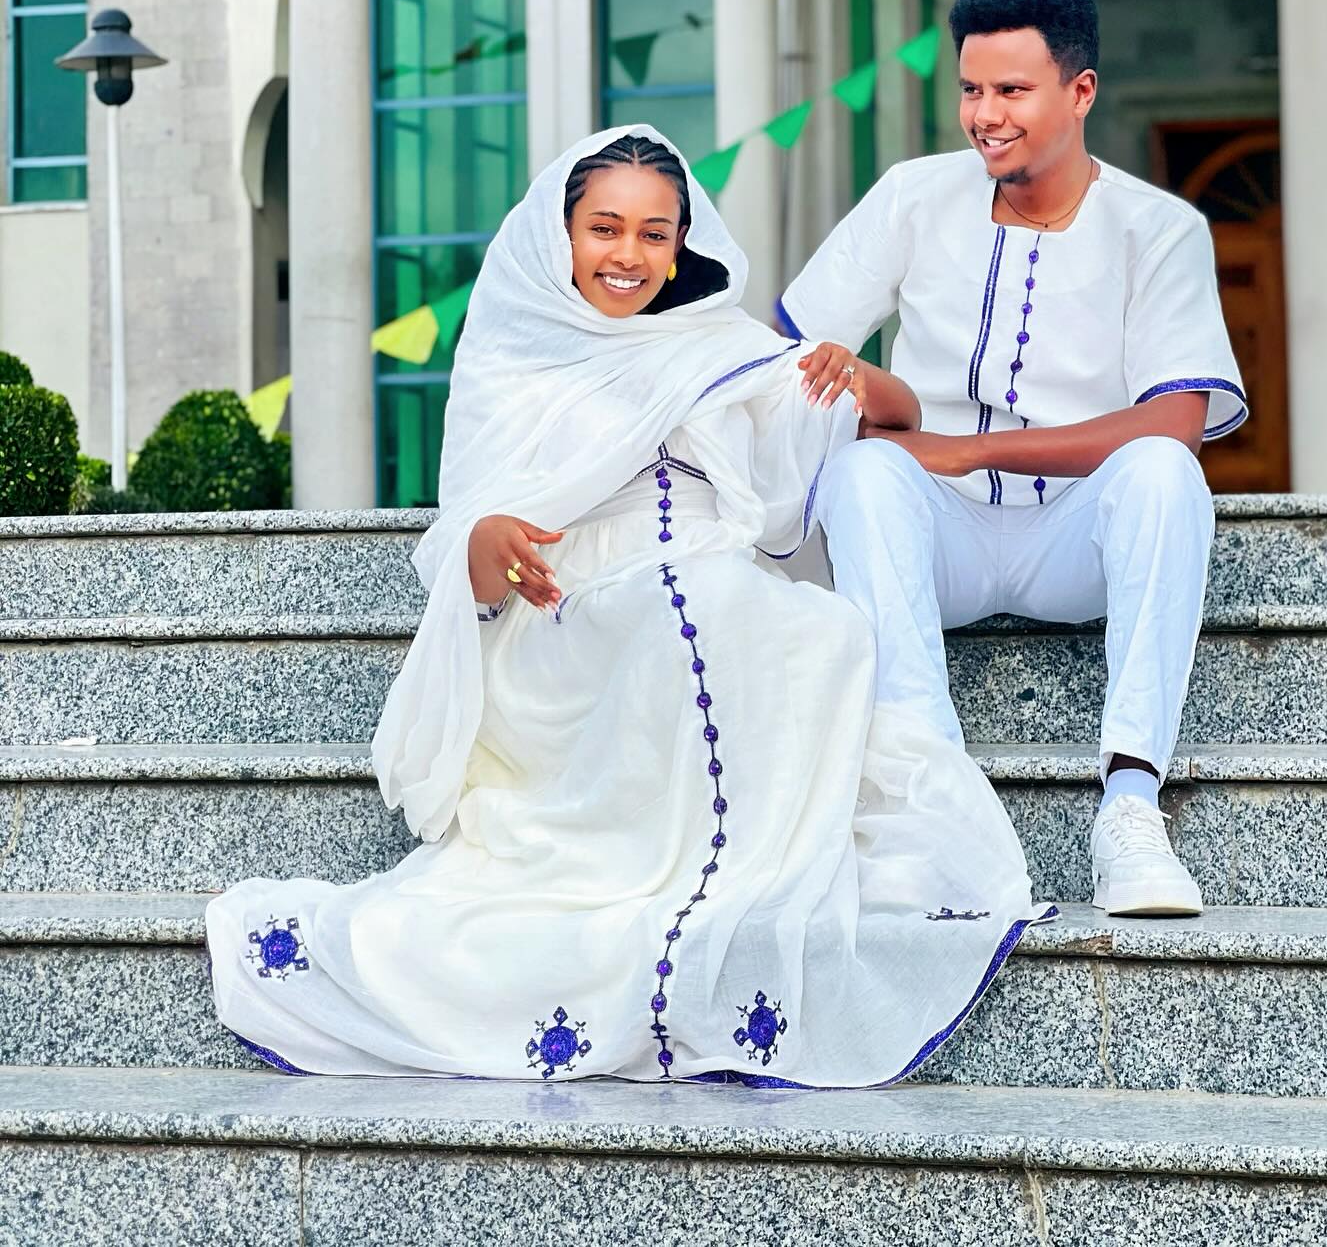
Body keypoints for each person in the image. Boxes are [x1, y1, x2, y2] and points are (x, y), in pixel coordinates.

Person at [207, 127, 1050, 1083]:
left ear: (683, 243)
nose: (629, 256)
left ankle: (725, 901)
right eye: (605, 229)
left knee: (805, 629)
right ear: (559, 235)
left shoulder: (719, 347)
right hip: (569, 613)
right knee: (685, 606)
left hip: (708, 579)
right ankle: (683, 911)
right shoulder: (513, 359)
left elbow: (896, 421)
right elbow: (469, 558)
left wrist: (855, 373)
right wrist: (490, 546)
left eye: (656, 234)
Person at [782, 0, 1245, 919]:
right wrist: (870, 398)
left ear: (1080, 92)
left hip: (1074, 543)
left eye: (1011, 91)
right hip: (936, 537)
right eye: (970, 89)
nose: (984, 115)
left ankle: (1128, 806)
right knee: (865, 474)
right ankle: (928, 807)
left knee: (1163, 474)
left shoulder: (1158, 229)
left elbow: (1176, 421)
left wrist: (975, 451)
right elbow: (785, 356)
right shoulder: (913, 196)